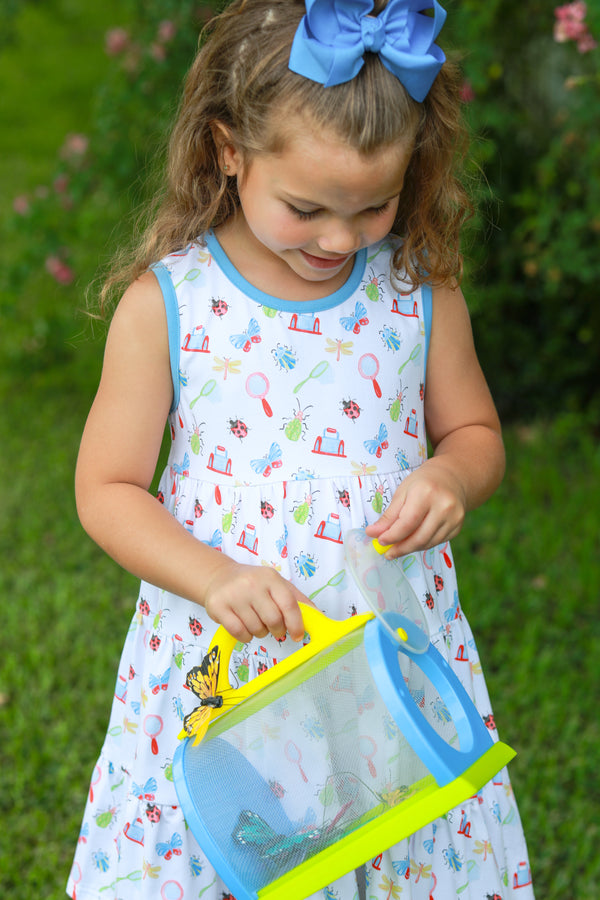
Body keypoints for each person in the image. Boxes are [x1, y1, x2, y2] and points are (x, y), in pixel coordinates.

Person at [67, 0, 535, 897]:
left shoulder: (418, 296)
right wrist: (212, 578)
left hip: (379, 666)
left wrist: (450, 474)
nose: (339, 238)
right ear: (228, 150)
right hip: (228, 662)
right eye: (307, 207)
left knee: (390, 847)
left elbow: (475, 434)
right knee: (231, 853)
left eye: (375, 206)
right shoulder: (171, 304)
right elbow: (108, 488)